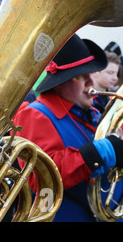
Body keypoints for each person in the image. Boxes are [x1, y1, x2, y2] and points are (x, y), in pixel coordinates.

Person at [13, 34, 123, 222]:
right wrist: (104, 149)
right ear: (60, 83)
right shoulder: (35, 114)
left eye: (90, 75)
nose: (90, 83)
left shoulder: (93, 112)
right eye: (81, 77)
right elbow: (41, 180)